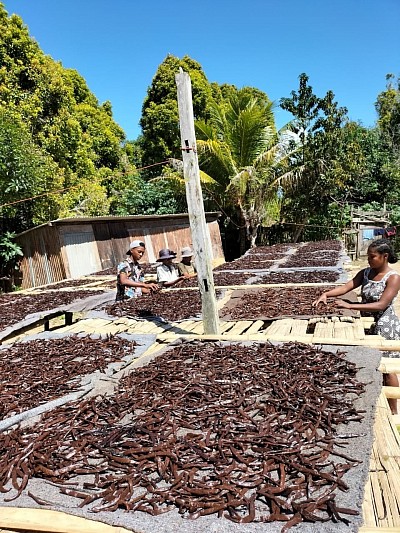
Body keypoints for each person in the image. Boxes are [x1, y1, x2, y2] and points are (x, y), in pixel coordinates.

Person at [313, 239, 400, 414]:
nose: (369, 260)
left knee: (387, 369)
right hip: (367, 322)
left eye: (372, 257)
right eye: (368, 256)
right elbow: (347, 286)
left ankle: (393, 411)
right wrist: (326, 294)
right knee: (372, 363)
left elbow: (381, 305)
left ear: (385, 256)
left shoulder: (394, 277)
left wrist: (349, 306)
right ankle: (375, 402)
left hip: (385, 325)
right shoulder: (366, 272)